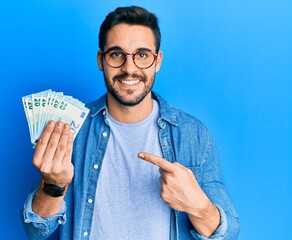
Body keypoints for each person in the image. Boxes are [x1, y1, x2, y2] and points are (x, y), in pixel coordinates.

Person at [22, 6, 240, 240]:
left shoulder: (194, 135)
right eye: (116, 54)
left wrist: (197, 206)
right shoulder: (71, 129)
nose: (129, 68)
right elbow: (36, 231)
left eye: (142, 55)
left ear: (158, 61)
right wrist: (53, 184)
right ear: (100, 60)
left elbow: (228, 235)